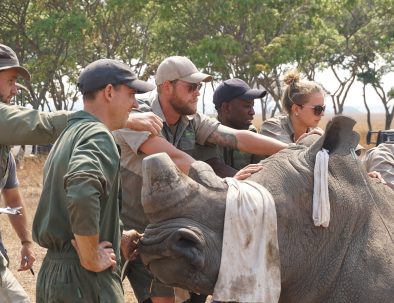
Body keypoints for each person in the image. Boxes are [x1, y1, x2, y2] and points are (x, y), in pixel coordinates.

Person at [117, 56, 288, 303]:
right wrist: (224, 184)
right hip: (124, 229)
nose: (197, 93)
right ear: (167, 86)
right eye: (191, 87)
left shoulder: (190, 119)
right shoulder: (138, 114)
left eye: (199, 87)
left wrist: (292, 149)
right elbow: (174, 159)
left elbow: (236, 137)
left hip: (161, 230)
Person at [31, 59, 155, 303]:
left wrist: (117, 235)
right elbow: (81, 189)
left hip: (56, 276)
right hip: (84, 277)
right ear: (109, 92)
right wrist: (89, 255)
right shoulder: (99, 134)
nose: (135, 103)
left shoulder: (68, 133)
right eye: (130, 94)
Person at [0, 43, 35, 303]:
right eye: (11, 80)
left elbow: (12, 197)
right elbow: (40, 125)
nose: (15, 89)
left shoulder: (4, 153)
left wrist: (25, 242)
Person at [212, 78, 266, 170]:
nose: (252, 112)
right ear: (227, 107)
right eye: (247, 106)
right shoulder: (207, 134)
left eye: (252, 106)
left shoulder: (251, 133)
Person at [260, 69, 325, 143]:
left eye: (323, 108)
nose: (322, 114)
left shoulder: (315, 134)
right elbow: (286, 152)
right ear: (296, 109)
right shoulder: (272, 127)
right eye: (318, 109)